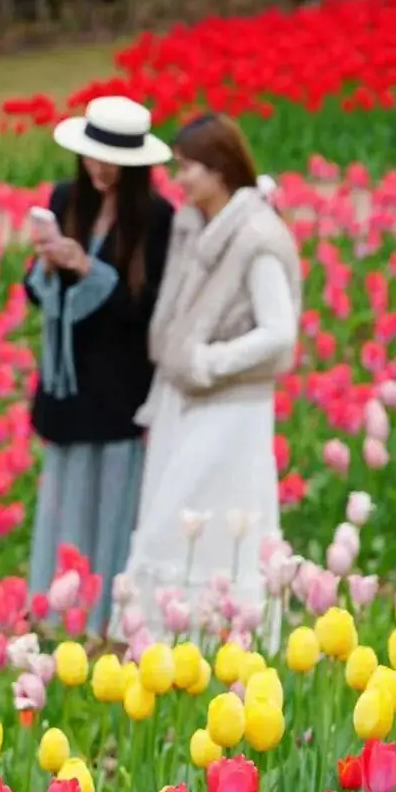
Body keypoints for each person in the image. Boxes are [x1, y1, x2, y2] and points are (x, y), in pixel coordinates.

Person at [121, 112, 302, 645]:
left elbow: (279, 333)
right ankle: (163, 641)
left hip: (231, 408)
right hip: (183, 399)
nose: (179, 179)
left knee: (215, 524)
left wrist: (208, 361)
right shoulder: (194, 226)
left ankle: (219, 638)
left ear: (221, 170)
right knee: (173, 523)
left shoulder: (257, 238)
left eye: (189, 167)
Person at [25, 96, 174, 637]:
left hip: (119, 383)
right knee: (65, 496)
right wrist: (46, 264)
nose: (100, 168)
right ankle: (53, 613)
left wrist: (88, 267)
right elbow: (40, 295)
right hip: (68, 379)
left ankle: (100, 622)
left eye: (113, 160)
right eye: (93, 157)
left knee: (112, 498)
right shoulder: (67, 200)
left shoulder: (156, 219)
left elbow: (149, 308)